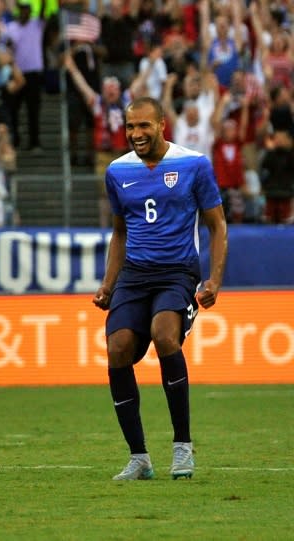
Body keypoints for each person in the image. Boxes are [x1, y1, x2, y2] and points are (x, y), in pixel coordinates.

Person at [93, 96, 227, 482]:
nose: (136, 133)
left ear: (162, 125)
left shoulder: (194, 164)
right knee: (118, 348)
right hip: (135, 274)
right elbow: (120, 233)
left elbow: (217, 225)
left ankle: (182, 447)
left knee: (165, 335)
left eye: (144, 126)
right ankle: (139, 458)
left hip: (177, 272)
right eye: (130, 126)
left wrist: (213, 278)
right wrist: (108, 285)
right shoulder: (117, 172)